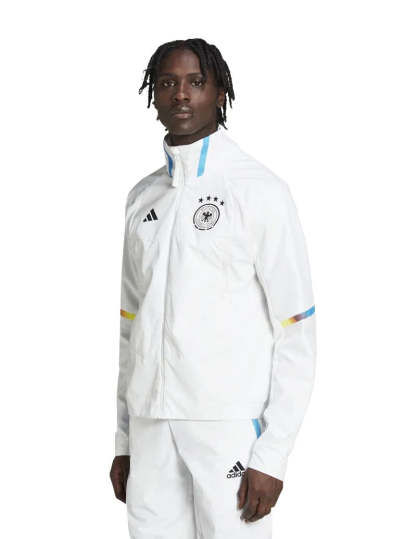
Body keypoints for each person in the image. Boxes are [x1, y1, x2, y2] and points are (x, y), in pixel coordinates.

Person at [109, 37, 317, 538]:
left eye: (195, 82)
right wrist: (125, 440)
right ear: (154, 94)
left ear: (219, 92)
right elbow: (130, 327)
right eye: (167, 83)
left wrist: (273, 454)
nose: (181, 94)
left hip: (227, 426)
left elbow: (296, 329)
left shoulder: (258, 190)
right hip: (151, 427)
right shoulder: (143, 199)